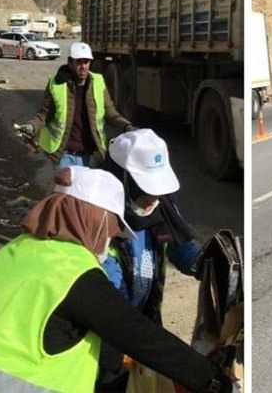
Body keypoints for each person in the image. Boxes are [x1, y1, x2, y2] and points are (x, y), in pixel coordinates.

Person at [0, 166, 233, 393]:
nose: (110, 237)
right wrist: (212, 380)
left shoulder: (16, 252)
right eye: (109, 226)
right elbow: (140, 336)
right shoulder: (76, 275)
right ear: (91, 220)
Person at [95, 128, 209, 390]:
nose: (152, 200)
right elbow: (109, 299)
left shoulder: (162, 206)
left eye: (157, 191)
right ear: (121, 178)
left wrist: (204, 263)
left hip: (143, 326)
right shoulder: (99, 219)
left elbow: (178, 246)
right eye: (145, 190)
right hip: (109, 338)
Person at [15, 42, 131, 170]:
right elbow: (45, 113)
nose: (83, 67)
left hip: (88, 154)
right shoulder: (57, 84)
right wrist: (32, 126)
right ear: (70, 63)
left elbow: (111, 114)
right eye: (79, 62)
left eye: (86, 62)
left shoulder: (97, 82)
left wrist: (127, 126)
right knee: (67, 190)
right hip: (64, 154)